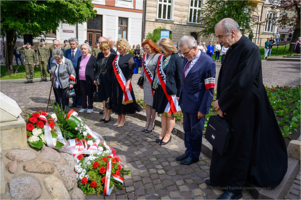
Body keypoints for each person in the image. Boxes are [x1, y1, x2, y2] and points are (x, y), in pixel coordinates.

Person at [207, 18, 287, 199]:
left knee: (239, 147)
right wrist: (221, 101)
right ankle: (221, 178)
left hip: (245, 107)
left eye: (220, 36)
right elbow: (225, 78)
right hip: (230, 104)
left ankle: (234, 190)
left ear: (232, 33)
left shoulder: (250, 49)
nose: (219, 40)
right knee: (225, 143)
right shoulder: (232, 49)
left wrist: (222, 102)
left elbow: (242, 82)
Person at [177, 35, 215, 165]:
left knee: (196, 131)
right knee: (187, 128)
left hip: (198, 104)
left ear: (195, 47)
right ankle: (188, 150)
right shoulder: (186, 58)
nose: (184, 55)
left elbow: (209, 89)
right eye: (182, 53)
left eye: (186, 52)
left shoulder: (208, 62)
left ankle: (195, 155)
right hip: (186, 101)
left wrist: (203, 109)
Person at [152, 37, 181, 145]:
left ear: (169, 47)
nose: (161, 52)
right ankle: (162, 133)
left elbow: (180, 78)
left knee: (169, 114)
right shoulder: (161, 58)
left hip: (170, 92)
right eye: (160, 49)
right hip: (161, 89)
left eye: (163, 49)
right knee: (163, 114)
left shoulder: (176, 58)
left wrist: (178, 94)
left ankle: (168, 135)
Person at [111, 38, 142, 127]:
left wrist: (128, 84)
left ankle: (123, 119)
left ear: (125, 47)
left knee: (123, 100)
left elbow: (130, 73)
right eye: (118, 49)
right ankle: (118, 118)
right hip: (116, 82)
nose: (119, 50)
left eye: (120, 49)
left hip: (124, 83)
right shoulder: (118, 56)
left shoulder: (129, 57)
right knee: (117, 100)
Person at [139, 39, 161, 133]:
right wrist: (140, 79)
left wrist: (156, 85)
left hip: (154, 84)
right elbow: (143, 69)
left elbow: (159, 71)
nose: (145, 50)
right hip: (146, 83)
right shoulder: (145, 56)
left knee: (153, 104)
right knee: (148, 103)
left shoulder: (158, 56)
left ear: (152, 47)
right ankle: (147, 122)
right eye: (144, 48)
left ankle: (152, 122)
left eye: (147, 48)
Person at [94, 41, 116, 122]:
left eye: (105, 50)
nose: (103, 51)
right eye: (102, 50)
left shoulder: (113, 56)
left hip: (109, 79)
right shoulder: (100, 55)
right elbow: (97, 68)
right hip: (100, 78)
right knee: (103, 97)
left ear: (109, 48)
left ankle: (108, 115)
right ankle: (105, 113)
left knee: (108, 97)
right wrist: (95, 78)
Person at [76, 43, 96, 114]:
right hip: (81, 79)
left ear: (88, 50)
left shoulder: (93, 58)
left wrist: (95, 79)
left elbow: (96, 69)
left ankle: (90, 106)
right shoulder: (79, 58)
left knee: (90, 93)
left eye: (85, 49)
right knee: (82, 93)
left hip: (89, 79)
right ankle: (84, 106)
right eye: (82, 49)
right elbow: (77, 68)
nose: (83, 50)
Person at [65, 38, 82, 108]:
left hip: (78, 73)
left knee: (78, 88)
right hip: (70, 73)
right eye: (71, 44)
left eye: (73, 44)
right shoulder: (67, 52)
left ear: (77, 44)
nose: (72, 45)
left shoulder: (80, 52)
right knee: (72, 88)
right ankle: (74, 102)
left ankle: (79, 102)